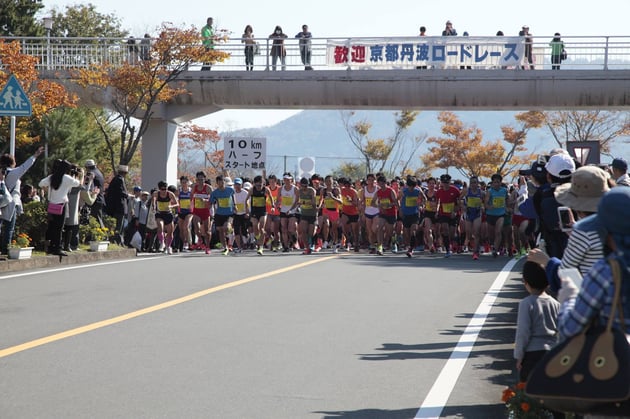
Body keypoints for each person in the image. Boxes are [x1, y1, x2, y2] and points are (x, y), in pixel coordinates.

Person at [528, 165, 611, 293]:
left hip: (593, 300)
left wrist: (547, 261)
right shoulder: (614, 224)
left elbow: (565, 274)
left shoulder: (584, 231)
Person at [514, 261, 560, 382]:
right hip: (552, 352)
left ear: (526, 282)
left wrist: (519, 356)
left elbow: (523, 332)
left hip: (532, 354)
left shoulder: (526, 303)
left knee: (529, 388)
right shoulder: (555, 304)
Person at [0, 146, 43, 255]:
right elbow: (25, 166)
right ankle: (5, 249)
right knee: (9, 228)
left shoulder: (2, 172)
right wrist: (35, 155)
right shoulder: (14, 173)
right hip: (9, 204)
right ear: (12, 162)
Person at [39, 159, 81, 256]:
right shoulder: (66, 178)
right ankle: (57, 248)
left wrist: (47, 188)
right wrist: (75, 175)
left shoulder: (52, 177)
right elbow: (77, 183)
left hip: (52, 205)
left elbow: (41, 183)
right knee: (59, 227)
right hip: (62, 205)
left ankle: (51, 247)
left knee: (52, 226)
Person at [105, 165, 130, 245]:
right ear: (124, 173)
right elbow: (121, 192)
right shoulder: (119, 179)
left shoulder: (115, 179)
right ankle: (117, 241)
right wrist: (127, 195)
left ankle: (116, 240)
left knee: (117, 225)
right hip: (119, 207)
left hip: (114, 207)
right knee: (119, 225)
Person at [210, 175, 235, 255]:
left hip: (229, 213)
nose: (221, 183)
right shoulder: (215, 193)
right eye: (219, 182)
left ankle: (231, 231)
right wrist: (211, 212)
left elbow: (234, 198)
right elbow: (211, 202)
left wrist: (235, 206)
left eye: (223, 181)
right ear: (217, 183)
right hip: (219, 214)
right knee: (220, 231)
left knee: (226, 228)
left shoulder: (230, 190)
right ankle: (225, 247)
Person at [152, 180, 178, 254]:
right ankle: (162, 243)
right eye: (162, 189)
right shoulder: (156, 194)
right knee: (160, 226)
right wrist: (154, 206)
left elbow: (177, 204)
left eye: (165, 189)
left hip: (168, 214)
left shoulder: (170, 194)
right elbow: (153, 200)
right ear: (159, 189)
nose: (164, 191)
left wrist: (171, 206)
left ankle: (168, 246)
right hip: (159, 213)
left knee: (170, 232)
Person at [85, 159, 105, 227]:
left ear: (87, 167)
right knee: (97, 220)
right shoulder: (99, 173)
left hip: (94, 200)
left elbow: (86, 186)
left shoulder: (90, 173)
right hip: (100, 199)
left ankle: (103, 236)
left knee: (96, 221)